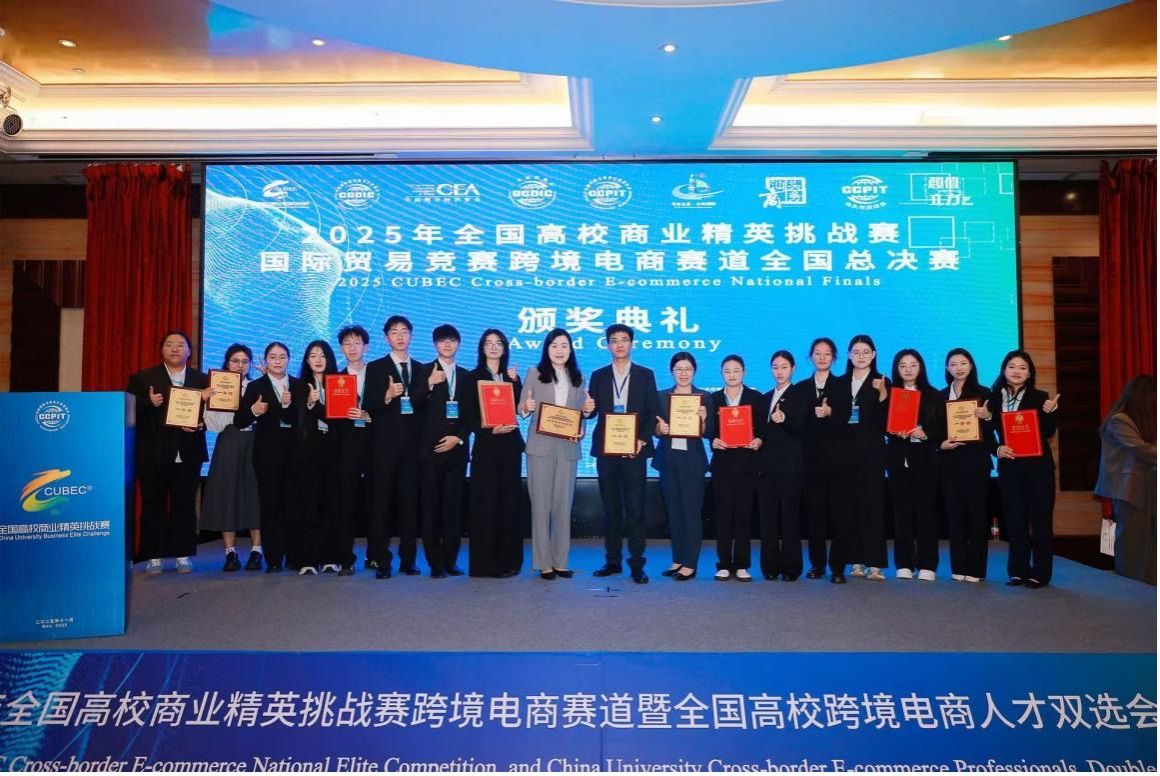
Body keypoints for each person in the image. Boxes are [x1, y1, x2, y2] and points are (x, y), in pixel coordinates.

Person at [126, 330, 210, 574]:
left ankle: (183, 554)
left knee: (185, 503)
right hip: (153, 452)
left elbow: (212, 416)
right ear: (162, 349)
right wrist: (148, 403)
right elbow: (128, 412)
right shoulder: (143, 378)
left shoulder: (202, 380)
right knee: (153, 504)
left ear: (189, 351)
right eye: (170, 344)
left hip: (188, 451)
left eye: (181, 345)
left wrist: (201, 423)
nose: (175, 349)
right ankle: (154, 555)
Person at [586, 324, 660, 584]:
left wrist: (642, 440)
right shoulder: (598, 375)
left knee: (635, 509)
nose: (619, 344)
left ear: (631, 343)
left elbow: (652, 411)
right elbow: (591, 413)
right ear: (608, 345)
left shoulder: (645, 375)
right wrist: (586, 409)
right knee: (611, 509)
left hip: (634, 451)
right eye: (614, 340)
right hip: (607, 451)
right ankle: (613, 561)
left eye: (624, 340)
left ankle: (637, 565)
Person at [520, 328, 589, 580]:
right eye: (554, 346)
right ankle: (543, 563)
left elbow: (581, 414)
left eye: (564, 346)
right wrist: (526, 406)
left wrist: (585, 419)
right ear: (547, 349)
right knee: (541, 506)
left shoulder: (579, 378)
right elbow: (521, 407)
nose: (559, 350)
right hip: (540, 447)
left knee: (563, 506)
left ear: (571, 350)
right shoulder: (534, 373)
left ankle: (561, 561)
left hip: (567, 448)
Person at [987, 350, 1060, 588]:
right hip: (1010, 467)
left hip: (1038, 469)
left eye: (1022, 367)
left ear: (1030, 373)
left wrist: (1050, 414)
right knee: (1015, 520)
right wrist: (997, 448)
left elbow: (1048, 432)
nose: (1017, 371)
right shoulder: (993, 398)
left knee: (1040, 521)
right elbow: (986, 433)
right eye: (1012, 366)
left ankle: (1041, 572)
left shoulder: (1041, 397)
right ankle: (1018, 570)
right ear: (1004, 370)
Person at [362, 316, 427, 579]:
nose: (400, 336)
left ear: (411, 335)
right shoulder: (376, 367)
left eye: (404, 332)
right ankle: (381, 560)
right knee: (381, 506)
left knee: (409, 505)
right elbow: (367, 405)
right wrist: (387, 396)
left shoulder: (422, 369)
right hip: (384, 449)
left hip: (412, 449)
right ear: (386, 337)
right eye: (394, 332)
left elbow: (424, 409)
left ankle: (408, 560)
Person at [234, 342, 307, 572]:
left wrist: (288, 405)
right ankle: (274, 558)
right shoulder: (256, 386)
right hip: (267, 456)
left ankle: (295, 556)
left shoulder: (300, 386)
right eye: (273, 357)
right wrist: (254, 411)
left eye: (282, 357)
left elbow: (302, 420)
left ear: (289, 360)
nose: (277, 361)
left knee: (294, 505)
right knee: (270, 506)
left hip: (296, 455)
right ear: (266, 360)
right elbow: (239, 420)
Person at [414, 324, 474, 578]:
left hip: (457, 450)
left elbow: (472, 414)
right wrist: (428, 384)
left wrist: (458, 438)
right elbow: (413, 405)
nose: (447, 345)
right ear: (435, 344)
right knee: (431, 508)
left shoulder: (467, 376)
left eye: (452, 340)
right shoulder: (422, 371)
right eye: (442, 341)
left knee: (453, 508)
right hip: (430, 451)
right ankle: (435, 563)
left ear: (458, 344)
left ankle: (450, 559)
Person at [467, 329, 525, 578]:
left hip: (510, 447)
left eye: (498, 343)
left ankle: (509, 561)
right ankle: (485, 564)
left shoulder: (511, 377)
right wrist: (489, 429)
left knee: (509, 504)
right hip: (486, 447)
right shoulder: (472, 377)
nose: (493, 347)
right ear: (482, 348)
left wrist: (516, 382)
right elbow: (468, 415)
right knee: (486, 505)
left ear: (504, 348)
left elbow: (522, 410)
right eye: (488, 343)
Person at [200, 344, 262, 572]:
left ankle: (257, 551)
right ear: (227, 363)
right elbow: (214, 425)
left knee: (255, 495)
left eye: (245, 362)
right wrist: (210, 401)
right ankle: (230, 553)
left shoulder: (258, 387)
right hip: (229, 441)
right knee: (227, 494)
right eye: (235, 361)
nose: (240, 365)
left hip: (255, 442)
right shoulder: (216, 387)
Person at [797, 337, 854, 584]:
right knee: (815, 516)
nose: (822, 357)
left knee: (841, 517)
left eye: (827, 353)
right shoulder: (801, 388)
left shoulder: (843, 385)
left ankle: (838, 567)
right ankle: (817, 564)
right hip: (811, 463)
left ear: (834, 358)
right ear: (810, 357)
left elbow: (851, 419)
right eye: (817, 353)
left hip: (839, 462)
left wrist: (832, 413)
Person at [885, 349, 944, 581]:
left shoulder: (934, 395)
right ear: (896, 369)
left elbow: (942, 426)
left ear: (921, 368)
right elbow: (880, 423)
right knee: (901, 513)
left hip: (925, 460)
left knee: (926, 512)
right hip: (898, 460)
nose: (908, 369)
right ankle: (904, 563)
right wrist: (892, 430)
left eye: (913, 365)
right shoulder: (889, 394)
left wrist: (926, 432)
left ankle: (928, 564)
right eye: (903, 365)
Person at [653, 351, 711, 581]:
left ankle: (690, 563)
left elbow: (709, 433)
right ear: (671, 371)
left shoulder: (704, 397)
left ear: (694, 371)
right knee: (674, 512)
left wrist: (703, 420)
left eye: (688, 369)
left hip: (692, 462)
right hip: (668, 460)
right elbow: (654, 429)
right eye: (679, 369)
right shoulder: (661, 397)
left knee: (691, 512)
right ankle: (678, 559)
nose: (683, 374)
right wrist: (660, 430)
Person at [938, 348, 994, 583]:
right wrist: (940, 444)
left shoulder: (984, 393)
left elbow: (993, 430)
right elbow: (935, 429)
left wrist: (987, 417)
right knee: (955, 517)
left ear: (971, 365)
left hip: (976, 463)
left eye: (963, 363)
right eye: (953, 364)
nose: (958, 368)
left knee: (978, 517)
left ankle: (976, 569)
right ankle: (958, 566)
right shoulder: (940, 395)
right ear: (947, 368)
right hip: (949, 464)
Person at [1095, 375, 1157, 584]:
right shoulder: (1119, 421)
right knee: (1132, 541)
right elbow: (1141, 450)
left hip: (1146, 487)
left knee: (1149, 542)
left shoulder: (1144, 421)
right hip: (1128, 490)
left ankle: (1149, 583)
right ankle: (1129, 584)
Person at [840, 334, 890, 582]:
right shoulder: (840, 382)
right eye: (856, 352)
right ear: (849, 355)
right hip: (845, 454)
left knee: (873, 507)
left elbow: (887, 422)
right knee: (850, 507)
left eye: (866, 352)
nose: (861, 356)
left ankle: (875, 563)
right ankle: (856, 561)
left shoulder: (882, 382)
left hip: (872, 453)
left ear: (874, 354)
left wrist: (882, 395)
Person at [709, 355, 764, 581]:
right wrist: (712, 439)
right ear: (722, 373)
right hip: (722, 465)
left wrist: (759, 440)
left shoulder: (756, 397)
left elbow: (762, 429)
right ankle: (723, 563)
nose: (732, 375)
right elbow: (708, 429)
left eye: (736, 370)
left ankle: (742, 564)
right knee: (723, 516)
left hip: (747, 465)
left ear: (744, 372)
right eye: (727, 371)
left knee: (743, 515)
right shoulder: (713, 398)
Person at [758, 350, 808, 581]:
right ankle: (769, 566)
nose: (779, 372)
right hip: (766, 467)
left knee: (789, 518)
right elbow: (760, 431)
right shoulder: (765, 397)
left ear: (793, 369)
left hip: (790, 467)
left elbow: (801, 428)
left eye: (784, 367)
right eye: (775, 367)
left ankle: (791, 567)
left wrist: (785, 419)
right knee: (768, 518)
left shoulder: (801, 395)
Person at [329, 325, 375, 576]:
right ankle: (345, 558)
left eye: (357, 343)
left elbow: (389, 411)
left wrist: (369, 415)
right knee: (345, 504)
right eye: (347, 344)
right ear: (342, 349)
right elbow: (330, 418)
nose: (352, 348)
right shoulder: (335, 379)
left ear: (366, 346)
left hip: (375, 447)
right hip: (345, 449)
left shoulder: (379, 374)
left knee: (375, 503)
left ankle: (375, 555)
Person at [296, 340, 342, 575]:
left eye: (322, 355)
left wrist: (316, 407)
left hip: (333, 451)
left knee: (332, 503)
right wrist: (308, 404)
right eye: (313, 355)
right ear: (307, 360)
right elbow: (292, 419)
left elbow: (339, 418)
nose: (318, 359)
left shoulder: (340, 383)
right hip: (307, 452)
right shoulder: (299, 386)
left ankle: (331, 557)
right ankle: (308, 559)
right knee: (309, 503)